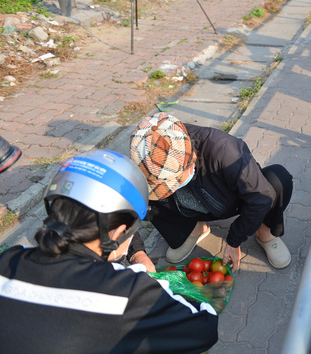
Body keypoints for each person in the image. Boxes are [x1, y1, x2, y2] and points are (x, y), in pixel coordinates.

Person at [0, 149, 219, 353]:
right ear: (118, 232)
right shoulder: (126, 291)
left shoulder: (8, 260)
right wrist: (154, 288)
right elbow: (205, 327)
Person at [130, 112, 293, 270]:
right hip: (192, 206)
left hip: (230, 203)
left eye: (170, 183)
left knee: (278, 180)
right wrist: (138, 254)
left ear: (190, 160)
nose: (165, 190)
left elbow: (260, 197)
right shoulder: (146, 153)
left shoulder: (226, 151)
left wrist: (234, 240)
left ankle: (265, 233)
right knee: (147, 197)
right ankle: (193, 230)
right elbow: (121, 211)